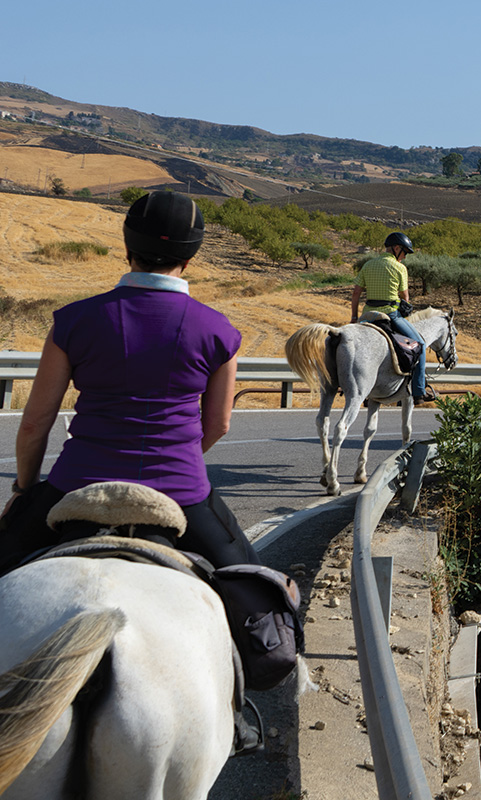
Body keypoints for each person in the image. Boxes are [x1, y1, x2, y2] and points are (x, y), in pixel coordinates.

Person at [0, 190, 265, 754]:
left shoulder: (74, 321)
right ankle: (241, 711)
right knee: (256, 593)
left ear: (126, 248)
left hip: (75, 485)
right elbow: (215, 424)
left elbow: (33, 425)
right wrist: (179, 461)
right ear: (191, 258)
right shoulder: (217, 331)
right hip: (180, 491)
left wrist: (26, 490)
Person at [350, 231, 438, 404]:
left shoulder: (368, 265)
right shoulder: (399, 268)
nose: (404, 257)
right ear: (396, 248)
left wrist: (354, 317)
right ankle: (419, 391)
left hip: (367, 315)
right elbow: (405, 297)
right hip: (390, 314)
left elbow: (355, 294)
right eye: (405, 252)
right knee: (419, 345)